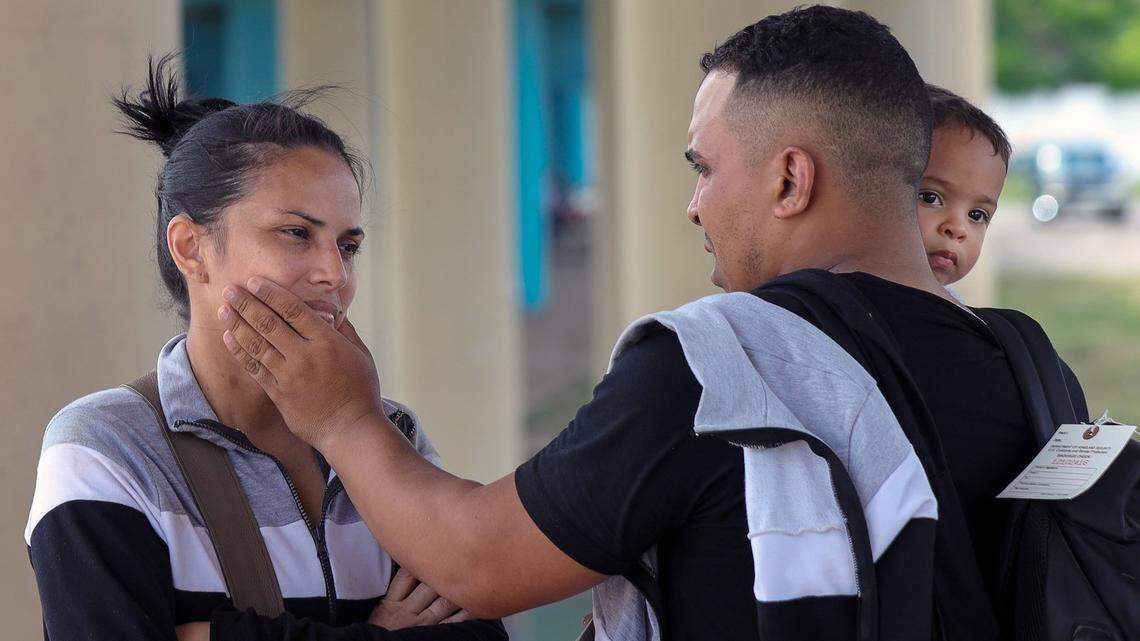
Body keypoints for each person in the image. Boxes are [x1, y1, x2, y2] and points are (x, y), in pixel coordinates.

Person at [214, 6, 1087, 641]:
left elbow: (476, 561)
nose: (695, 204)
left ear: (789, 180)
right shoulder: (1032, 368)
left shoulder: (721, 368)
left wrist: (344, 417)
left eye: (705, 167)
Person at [24, 56, 506, 641]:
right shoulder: (106, 447)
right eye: (297, 234)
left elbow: (481, 633)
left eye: (348, 246)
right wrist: (380, 633)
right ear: (190, 247)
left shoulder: (391, 433)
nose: (334, 274)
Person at [918, 85, 1011, 289]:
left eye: (977, 215)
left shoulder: (951, 306)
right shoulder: (849, 297)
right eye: (930, 198)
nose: (958, 229)